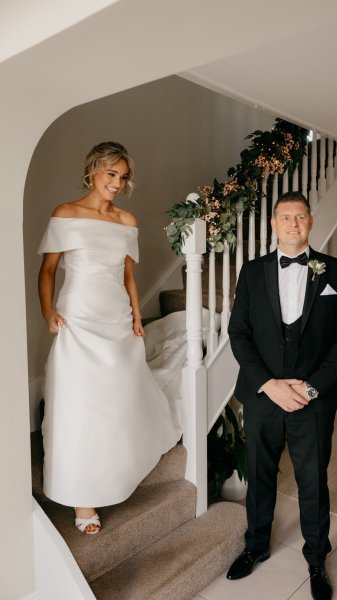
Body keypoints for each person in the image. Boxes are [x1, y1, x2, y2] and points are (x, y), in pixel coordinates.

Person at [38, 141, 181, 534]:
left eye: (123, 177)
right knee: (79, 408)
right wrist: (48, 312)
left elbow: (128, 276)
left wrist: (136, 316)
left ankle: (113, 474)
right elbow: (48, 271)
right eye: (111, 174)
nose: (117, 183)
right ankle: (83, 502)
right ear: (93, 171)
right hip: (77, 321)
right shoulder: (65, 214)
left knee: (115, 404)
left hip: (116, 321)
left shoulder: (127, 221)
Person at [227, 191, 337, 600]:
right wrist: (268, 384)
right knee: (260, 475)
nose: (292, 224)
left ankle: (317, 559)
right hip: (263, 395)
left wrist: (311, 385)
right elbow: (239, 334)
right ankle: (255, 547)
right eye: (285, 217)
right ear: (273, 223)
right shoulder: (251, 272)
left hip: (314, 399)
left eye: (299, 217)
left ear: (310, 221)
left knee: (313, 481)